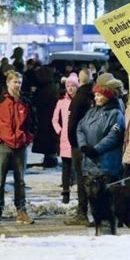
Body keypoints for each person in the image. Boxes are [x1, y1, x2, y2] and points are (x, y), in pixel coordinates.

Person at [0, 70, 36, 225]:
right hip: (3, 145)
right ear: (8, 83)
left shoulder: (26, 102)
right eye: (15, 82)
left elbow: (32, 122)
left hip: (20, 146)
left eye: (20, 82)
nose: (18, 85)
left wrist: (27, 138)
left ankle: (21, 211)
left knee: (20, 181)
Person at [77, 73, 125, 182]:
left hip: (107, 166)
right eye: (95, 95)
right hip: (89, 165)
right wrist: (83, 145)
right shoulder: (91, 112)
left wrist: (96, 149)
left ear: (107, 96)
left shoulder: (115, 113)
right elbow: (80, 128)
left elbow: (113, 136)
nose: (95, 98)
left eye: (98, 95)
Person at [64, 68, 95, 225]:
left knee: (82, 179)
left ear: (80, 81)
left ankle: (82, 212)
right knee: (92, 177)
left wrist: (72, 142)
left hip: (79, 144)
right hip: (93, 143)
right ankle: (93, 212)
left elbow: (72, 124)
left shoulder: (79, 98)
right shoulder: (94, 95)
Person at [52, 72, 79, 204]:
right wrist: (60, 130)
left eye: (73, 86)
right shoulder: (61, 102)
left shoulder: (80, 101)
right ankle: (66, 193)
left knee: (78, 167)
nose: (70, 88)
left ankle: (81, 193)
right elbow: (55, 119)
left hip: (78, 138)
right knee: (66, 167)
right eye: (68, 86)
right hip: (65, 139)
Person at [31, 66, 59, 168]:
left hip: (46, 118)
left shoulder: (46, 89)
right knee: (49, 140)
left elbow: (38, 101)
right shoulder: (51, 87)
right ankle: (50, 158)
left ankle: (50, 159)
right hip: (47, 118)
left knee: (48, 140)